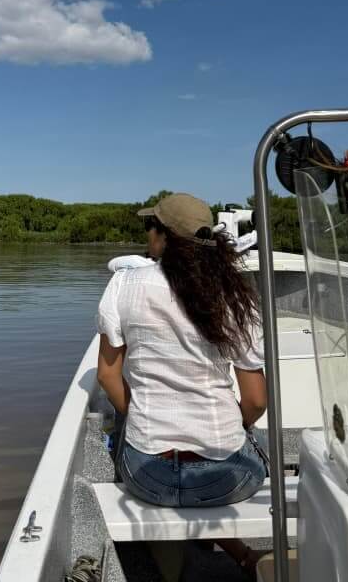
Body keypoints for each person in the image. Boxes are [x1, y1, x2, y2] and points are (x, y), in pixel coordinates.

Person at [96, 192, 268, 575]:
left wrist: (139, 414)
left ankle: (172, 572)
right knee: (257, 443)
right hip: (228, 477)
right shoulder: (233, 296)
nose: (147, 236)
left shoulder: (124, 285)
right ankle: (241, 555)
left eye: (150, 226)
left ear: (164, 236)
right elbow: (256, 401)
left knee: (135, 440)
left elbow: (107, 376)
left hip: (148, 474)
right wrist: (235, 426)